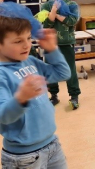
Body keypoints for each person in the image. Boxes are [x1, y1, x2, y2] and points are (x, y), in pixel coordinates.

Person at [0, 12, 71, 168]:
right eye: (18, 41)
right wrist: (21, 98)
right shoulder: (2, 74)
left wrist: (52, 50)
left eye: (28, 38)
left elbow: (63, 74)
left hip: (52, 143)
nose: (27, 45)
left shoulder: (30, 61)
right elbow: (3, 116)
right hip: (23, 156)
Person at [41, 0, 81, 110]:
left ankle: (74, 96)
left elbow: (72, 21)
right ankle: (53, 95)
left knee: (70, 70)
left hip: (66, 42)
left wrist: (56, 14)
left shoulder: (72, 4)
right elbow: (46, 24)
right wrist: (52, 11)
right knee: (51, 70)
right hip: (50, 44)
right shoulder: (46, 6)